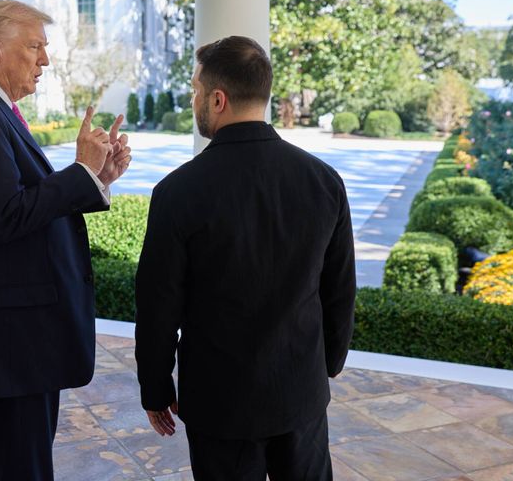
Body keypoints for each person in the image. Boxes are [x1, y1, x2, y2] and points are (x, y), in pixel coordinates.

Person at [0, 0, 132, 481]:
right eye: (35, 47)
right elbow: (5, 216)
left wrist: (95, 178)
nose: (45, 60)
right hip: (6, 341)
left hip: (8, 338)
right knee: (17, 468)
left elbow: (16, 204)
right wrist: (79, 170)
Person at [134, 36, 356, 480]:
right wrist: (329, 362)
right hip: (300, 391)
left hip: (220, 402)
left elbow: (158, 306)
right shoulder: (323, 181)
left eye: (196, 91)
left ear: (218, 100)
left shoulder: (177, 192)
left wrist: (155, 388)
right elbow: (340, 290)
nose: (194, 101)